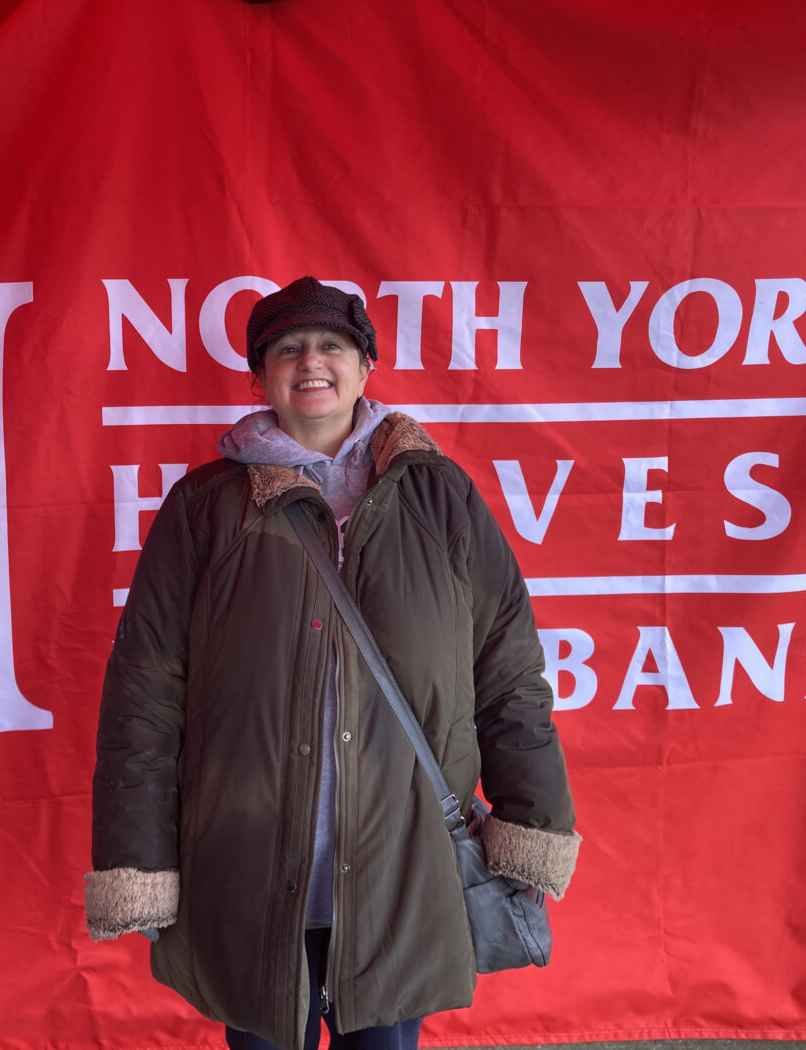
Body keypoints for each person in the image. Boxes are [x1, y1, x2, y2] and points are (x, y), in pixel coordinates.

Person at [86, 276, 580, 1050]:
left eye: (331, 345)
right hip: (246, 866)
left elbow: (508, 673)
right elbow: (145, 695)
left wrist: (531, 823)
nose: (310, 361)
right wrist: (138, 859)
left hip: (403, 869)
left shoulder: (441, 497)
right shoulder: (205, 508)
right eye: (287, 348)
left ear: (365, 365)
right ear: (260, 375)